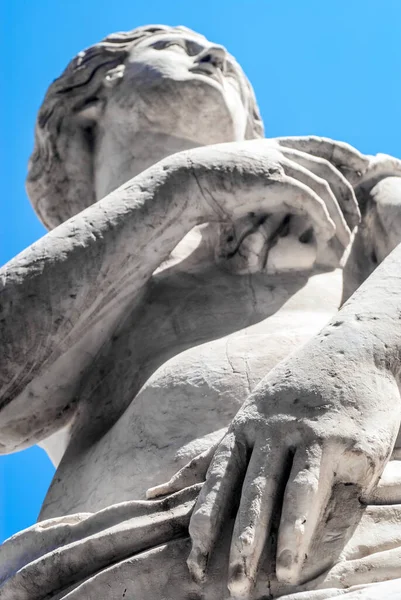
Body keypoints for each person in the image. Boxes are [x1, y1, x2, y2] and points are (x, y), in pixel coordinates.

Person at [1, 25, 401, 600]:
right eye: (171, 48)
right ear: (93, 99)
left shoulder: (345, 196)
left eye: (229, 66)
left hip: (358, 521)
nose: (211, 56)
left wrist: (361, 362)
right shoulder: (75, 278)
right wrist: (185, 186)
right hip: (104, 564)